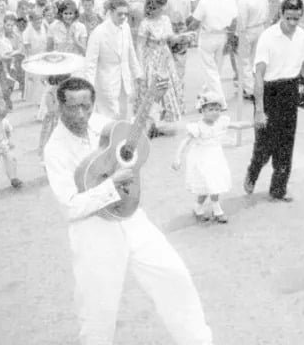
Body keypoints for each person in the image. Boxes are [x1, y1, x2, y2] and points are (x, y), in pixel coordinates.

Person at [42, 76, 214, 345]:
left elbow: (130, 140)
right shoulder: (55, 149)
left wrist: (150, 102)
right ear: (59, 107)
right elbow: (70, 207)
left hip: (132, 216)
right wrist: (110, 187)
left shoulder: (101, 124)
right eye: (73, 108)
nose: (81, 114)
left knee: (174, 277)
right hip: (93, 234)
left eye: (86, 106)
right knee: (98, 313)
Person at [244, 0, 304, 202]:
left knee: (286, 143)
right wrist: (259, 110)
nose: (292, 23)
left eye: (296, 19)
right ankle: (253, 171)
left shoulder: (303, 36)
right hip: (269, 90)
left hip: (290, 89)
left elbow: (303, 65)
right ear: (281, 14)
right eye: (289, 18)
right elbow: (258, 75)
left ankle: (279, 188)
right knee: (265, 144)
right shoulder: (268, 36)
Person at [172, 91, 231, 224]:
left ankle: (209, 208)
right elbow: (185, 142)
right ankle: (207, 209)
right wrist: (177, 157)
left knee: (214, 183)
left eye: (217, 109)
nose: (215, 112)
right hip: (203, 160)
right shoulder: (198, 127)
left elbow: (229, 128)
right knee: (206, 187)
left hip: (216, 158)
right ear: (203, 110)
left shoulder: (220, 122)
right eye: (211, 109)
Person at [84, 0, 143, 120]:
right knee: (108, 118)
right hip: (106, 82)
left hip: (124, 80)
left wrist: (137, 74)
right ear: (110, 13)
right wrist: (89, 87)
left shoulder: (125, 28)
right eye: (119, 14)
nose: (123, 17)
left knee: (125, 114)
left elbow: (131, 52)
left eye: (125, 14)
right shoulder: (98, 33)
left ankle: (124, 138)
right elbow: (90, 63)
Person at [187, 0, 237, 109]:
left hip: (208, 37)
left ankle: (221, 101)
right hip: (223, 35)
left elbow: (195, 23)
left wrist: (187, 30)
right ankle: (204, 93)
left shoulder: (205, 1)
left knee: (210, 70)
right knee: (216, 70)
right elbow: (234, 21)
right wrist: (230, 38)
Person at [135, 0, 183, 135]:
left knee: (167, 89)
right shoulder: (146, 23)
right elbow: (140, 46)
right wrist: (140, 66)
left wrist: (179, 38)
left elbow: (170, 37)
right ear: (153, 8)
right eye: (160, 7)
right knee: (153, 89)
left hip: (165, 57)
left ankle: (161, 121)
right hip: (151, 58)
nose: (162, 9)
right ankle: (151, 123)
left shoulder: (165, 19)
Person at [233, 0, 270, 99]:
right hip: (260, 28)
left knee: (244, 61)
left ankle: (250, 89)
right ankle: (258, 85)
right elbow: (267, 10)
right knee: (256, 59)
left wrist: (236, 36)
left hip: (247, 30)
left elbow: (241, 21)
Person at [0, 15, 24, 109]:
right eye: (8, 25)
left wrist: (12, 53)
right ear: (4, 25)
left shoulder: (16, 36)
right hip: (0, 64)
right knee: (4, 86)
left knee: (10, 85)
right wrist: (0, 56)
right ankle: (7, 101)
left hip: (13, 64)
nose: (10, 27)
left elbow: (20, 49)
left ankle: (6, 97)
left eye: (12, 25)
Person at [0, 99, 22, 189]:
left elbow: (8, 130)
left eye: (3, 116)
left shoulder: (4, 121)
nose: (1, 118)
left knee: (11, 159)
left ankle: (13, 177)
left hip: (3, 143)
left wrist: (9, 140)